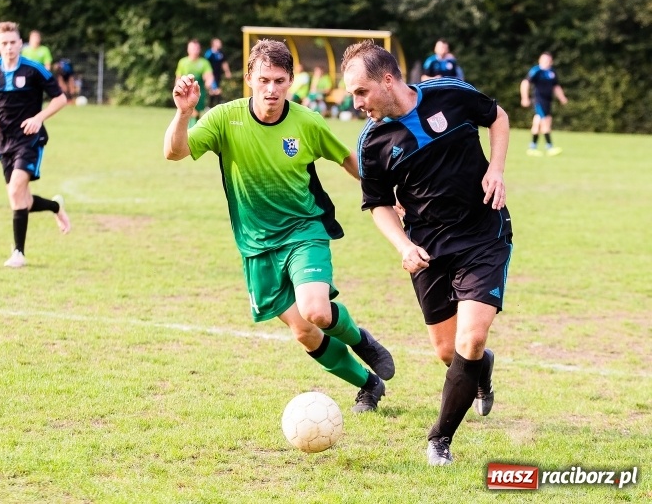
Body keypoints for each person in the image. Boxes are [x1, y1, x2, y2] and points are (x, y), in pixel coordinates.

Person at [164, 39, 396, 414]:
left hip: (305, 230)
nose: (271, 90)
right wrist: (183, 114)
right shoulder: (226, 118)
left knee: (316, 311)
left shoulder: (306, 121)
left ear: (291, 81)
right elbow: (174, 152)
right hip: (256, 246)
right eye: (264, 80)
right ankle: (368, 384)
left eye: (279, 80)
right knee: (305, 332)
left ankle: (362, 341)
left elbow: (347, 159)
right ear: (249, 79)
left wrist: (387, 197)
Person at [341, 40, 512, 465]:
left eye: (361, 92)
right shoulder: (372, 142)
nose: (357, 103)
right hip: (427, 248)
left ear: (387, 79)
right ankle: (480, 369)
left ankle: (440, 440)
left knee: (471, 338)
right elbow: (377, 204)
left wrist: (495, 168)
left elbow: (498, 117)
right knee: (447, 351)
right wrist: (404, 245)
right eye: (352, 96)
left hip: (482, 234)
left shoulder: (449, 93)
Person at [0, 21, 71, 268]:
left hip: (30, 139)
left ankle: (18, 252)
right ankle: (55, 206)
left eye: (13, 43)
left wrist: (39, 118)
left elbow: (61, 99)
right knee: (19, 200)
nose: (9, 48)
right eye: (4, 43)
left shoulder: (34, 70)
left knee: (17, 189)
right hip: (3, 140)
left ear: (20, 44)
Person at [520, 52, 568, 156]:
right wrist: (525, 98)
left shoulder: (552, 72)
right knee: (545, 122)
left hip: (548, 101)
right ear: (540, 60)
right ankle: (549, 147)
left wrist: (562, 98)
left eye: (548, 60)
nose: (546, 62)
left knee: (538, 123)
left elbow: (556, 86)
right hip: (539, 100)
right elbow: (525, 83)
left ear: (551, 61)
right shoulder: (536, 71)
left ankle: (532, 147)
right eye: (544, 60)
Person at [174, 39, 215, 128]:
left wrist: (209, 83)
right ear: (188, 49)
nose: (194, 50)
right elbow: (178, 78)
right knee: (189, 112)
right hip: (185, 92)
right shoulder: (183, 62)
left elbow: (209, 76)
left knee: (196, 114)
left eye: (196, 48)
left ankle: (192, 131)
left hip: (199, 92)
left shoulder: (204, 63)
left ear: (199, 49)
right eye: (192, 48)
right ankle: (188, 132)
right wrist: (176, 89)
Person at [204, 37, 232, 108]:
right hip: (211, 75)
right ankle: (215, 105)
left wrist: (227, 72)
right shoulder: (209, 53)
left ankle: (212, 106)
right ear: (213, 44)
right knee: (216, 90)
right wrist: (206, 75)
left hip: (218, 75)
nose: (220, 44)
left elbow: (224, 63)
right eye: (218, 42)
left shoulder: (221, 53)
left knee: (214, 91)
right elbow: (205, 64)